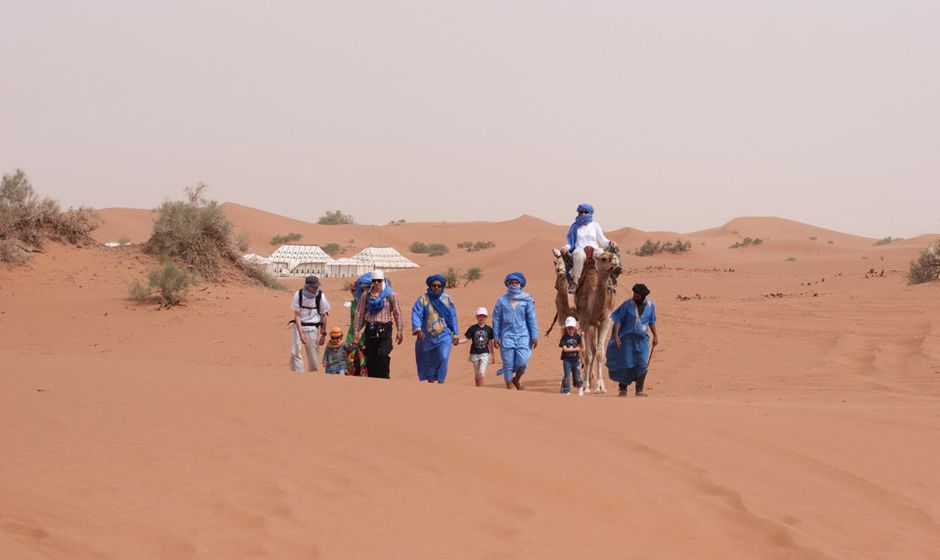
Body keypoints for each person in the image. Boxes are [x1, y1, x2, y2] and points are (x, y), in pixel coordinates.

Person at [606, 283, 658, 397]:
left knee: (643, 363)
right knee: (626, 364)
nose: (635, 297)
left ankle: (639, 390)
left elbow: (651, 321)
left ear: (643, 296)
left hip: (642, 340)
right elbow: (618, 320)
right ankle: (623, 389)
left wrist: (655, 336)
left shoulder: (651, 305)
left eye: (637, 296)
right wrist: (616, 336)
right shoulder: (627, 305)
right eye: (634, 294)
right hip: (627, 340)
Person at [353, 270, 404, 378]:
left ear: (383, 280)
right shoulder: (365, 295)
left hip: (385, 328)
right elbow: (359, 313)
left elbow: (397, 312)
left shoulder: (390, 295)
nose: (376, 283)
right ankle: (373, 382)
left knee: (383, 355)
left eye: (379, 281)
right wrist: (356, 331)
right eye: (374, 281)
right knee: (370, 358)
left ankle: (384, 380)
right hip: (370, 328)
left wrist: (399, 331)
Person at [493, 272, 539, 390]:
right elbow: (496, 319)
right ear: (507, 284)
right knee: (507, 364)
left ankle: (516, 379)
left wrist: (535, 335)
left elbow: (532, 318)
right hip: (507, 335)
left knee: (522, 362)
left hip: (523, 335)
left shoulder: (527, 300)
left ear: (521, 284)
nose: (514, 285)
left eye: (516, 282)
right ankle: (510, 388)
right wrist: (496, 336)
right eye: (511, 283)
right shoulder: (501, 300)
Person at [411, 274, 459, 383]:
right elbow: (416, 313)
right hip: (427, 336)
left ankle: (441, 382)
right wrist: (418, 329)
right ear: (430, 286)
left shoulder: (447, 299)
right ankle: (431, 383)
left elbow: (452, 316)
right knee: (430, 361)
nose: (436, 288)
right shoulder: (424, 298)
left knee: (443, 357)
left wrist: (455, 333)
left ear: (442, 286)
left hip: (444, 335)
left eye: (439, 286)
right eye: (434, 285)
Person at [561, 203, 617, 293]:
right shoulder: (575, 226)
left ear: (590, 213)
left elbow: (602, 240)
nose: (583, 214)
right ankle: (575, 282)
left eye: (585, 212)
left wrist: (610, 242)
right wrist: (566, 247)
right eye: (581, 212)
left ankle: (608, 280)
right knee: (579, 256)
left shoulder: (595, 225)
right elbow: (570, 242)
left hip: (594, 249)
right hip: (580, 249)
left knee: (600, 254)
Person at [289, 275, 330, 372]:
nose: (316, 288)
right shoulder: (298, 295)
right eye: (314, 287)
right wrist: (300, 333)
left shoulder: (321, 296)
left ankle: (312, 377)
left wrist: (323, 334)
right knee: (295, 352)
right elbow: (297, 316)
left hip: (313, 329)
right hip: (299, 327)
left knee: (313, 357)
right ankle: (299, 377)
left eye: (317, 286)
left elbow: (324, 316)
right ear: (307, 286)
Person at [463, 307, 496, 387]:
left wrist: (493, 355)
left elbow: (490, 342)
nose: (481, 318)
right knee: (477, 373)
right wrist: (457, 341)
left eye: (483, 316)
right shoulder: (472, 328)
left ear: (486, 317)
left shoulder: (489, 329)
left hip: (485, 353)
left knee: (482, 372)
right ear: (477, 317)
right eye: (480, 316)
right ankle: (478, 389)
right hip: (474, 353)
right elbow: (466, 339)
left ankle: (481, 391)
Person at [558, 316, 584, 396]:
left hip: (576, 360)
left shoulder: (577, 336)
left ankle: (580, 387)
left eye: (572, 328)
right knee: (567, 375)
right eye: (568, 328)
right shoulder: (564, 337)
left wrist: (582, 337)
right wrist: (576, 349)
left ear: (575, 328)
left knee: (577, 375)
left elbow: (582, 347)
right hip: (567, 360)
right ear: (566, 328)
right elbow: (565, 349)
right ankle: (566, 390)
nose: (570, 330)